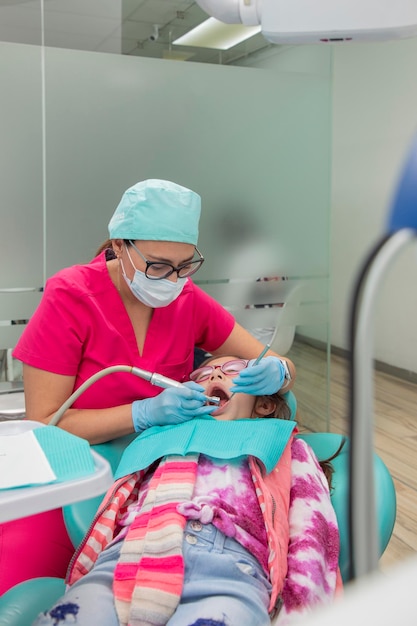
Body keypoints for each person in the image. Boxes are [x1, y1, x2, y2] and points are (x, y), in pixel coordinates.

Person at [1, 179, 296, 594]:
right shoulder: (71, 296)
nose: (171, 279)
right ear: (121, 246)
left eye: (183, 266)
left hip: (156, 476)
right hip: (76, 477)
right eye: (156, 266)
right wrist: (143, 413)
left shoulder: (186, 299)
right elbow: (44, 422)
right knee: (31, 583)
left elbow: (271, 358)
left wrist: (280, 373)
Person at [33, 355, 341, 626]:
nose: (216, 376)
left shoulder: (284, 444)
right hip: (127, 559)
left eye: (233, 370)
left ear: (263, 403)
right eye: (202, 376)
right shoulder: (160, 437)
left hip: (229, 573)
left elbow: (313, 532)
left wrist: (301, 611)